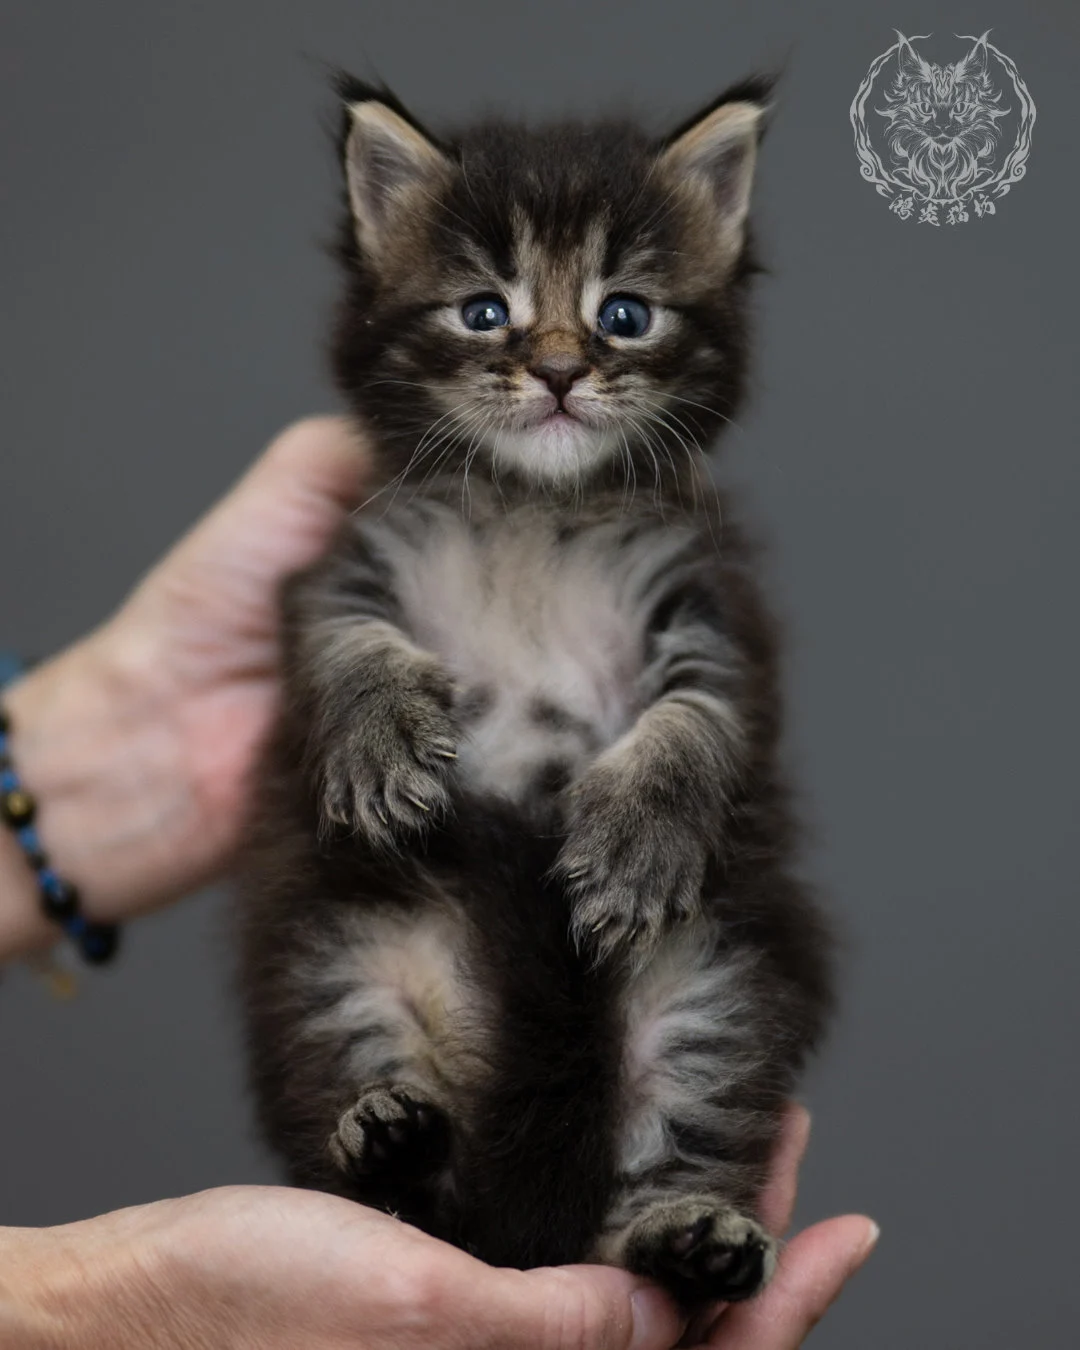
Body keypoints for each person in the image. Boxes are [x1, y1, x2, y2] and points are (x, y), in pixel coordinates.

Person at [0, 417, 878, 1349]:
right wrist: (101, 1305)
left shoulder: (680, 543)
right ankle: (413, 1176)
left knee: (710, 973)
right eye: (483, 311)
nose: (555, 361)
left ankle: (659, 1212)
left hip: (628, 971)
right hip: (434, 933)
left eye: (623, 316)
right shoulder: (383, 525)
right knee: (363, 959)